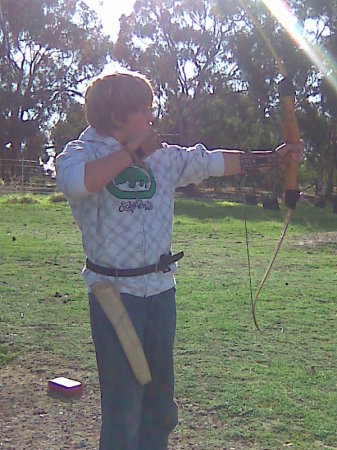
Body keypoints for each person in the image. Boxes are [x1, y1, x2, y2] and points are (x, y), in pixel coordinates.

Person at [56, 71, 303, 450]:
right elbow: (78, 184)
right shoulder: (81, 153)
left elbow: (206, 163)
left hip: (160, 291)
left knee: (160, 405)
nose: (153, 117)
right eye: (145, 110)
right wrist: (135, 153)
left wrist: (272, 159)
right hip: (113, 295)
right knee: (123, 407)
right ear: (120, 117)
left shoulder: (162, 157)